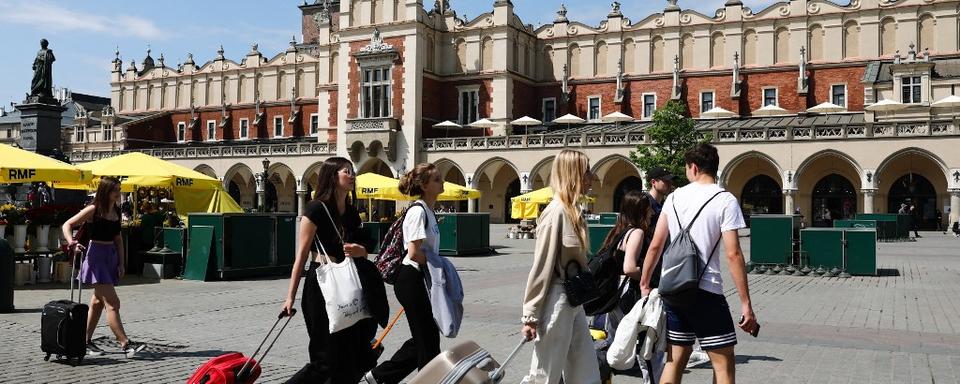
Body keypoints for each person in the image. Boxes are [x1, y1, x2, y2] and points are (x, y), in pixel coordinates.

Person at [640, 144, 758, 384]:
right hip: (707, 292)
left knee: (675, 360)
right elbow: (733, 253)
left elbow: (656, 245)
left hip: (673, 290)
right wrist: (746, 303)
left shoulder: (673, 198)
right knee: (723, 364)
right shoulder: (725, 199)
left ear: (693, 167)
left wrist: (644, 283)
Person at [282, 157, 387, 383]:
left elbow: (363, 248)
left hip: (348, 286)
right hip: (322, 285)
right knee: (324, 359)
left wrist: (361, 250)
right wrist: (289, 297)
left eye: (353, 171)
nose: (352, 175)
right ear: (332, 176)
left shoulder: (350, 211)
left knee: (351, 354)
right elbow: (300, 256)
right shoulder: (315, 208)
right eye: (346, 171)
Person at [366, 163, 458, 384]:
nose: (442, 181)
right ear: (425, 185)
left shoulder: (428, 211)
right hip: (411, 278)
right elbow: (414, 253)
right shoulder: (417, 211)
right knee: (427, 339)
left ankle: (380, 376)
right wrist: (442, 265)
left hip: (419, 279)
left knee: (423, 338)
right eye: (436, 179)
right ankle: (429, 379)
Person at [520, 149, 601, 384]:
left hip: (573, 302)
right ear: (573, 174)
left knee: (585, 374)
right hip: (556, 300)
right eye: (586, 171)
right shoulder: (555, 213)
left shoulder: (572, 211)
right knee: (545, 376)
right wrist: (530, 315)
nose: (591, 177)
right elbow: (541, 266)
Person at [61, 177, 146, 358]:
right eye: (115, 189)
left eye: (119, 189)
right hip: (95, 257)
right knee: (113, 303)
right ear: (106, 191)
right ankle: (125, 344)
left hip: (110, 257)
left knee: (98, 303)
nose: (118, 192)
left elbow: (118, 239)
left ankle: (84, 342)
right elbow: (67, 225)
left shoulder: (115, 210)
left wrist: (122, 262)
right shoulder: (94, 209)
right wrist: (72, 243)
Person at [596, 190, 663, 383]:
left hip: (616, 293)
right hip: (630, 294)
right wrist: (649, 274)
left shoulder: (619, 231)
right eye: (648, 209)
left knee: (615, 340)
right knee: (645, 344)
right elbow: (629, 267)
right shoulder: (637, 233)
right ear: (640, 211)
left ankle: (600, 374)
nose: (651, 212)